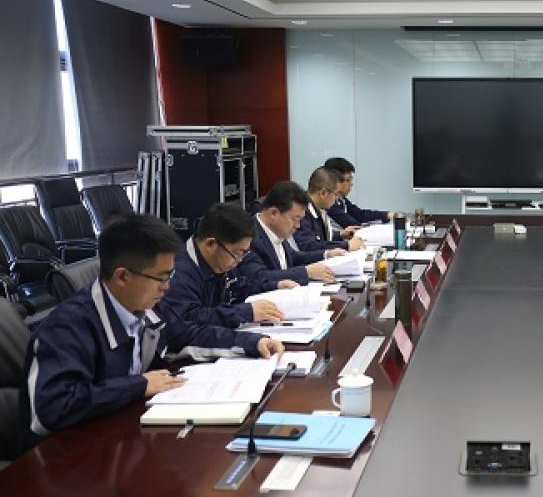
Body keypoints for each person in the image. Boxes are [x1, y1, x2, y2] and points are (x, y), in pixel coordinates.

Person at [19, 214, 283, 452]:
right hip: (66, 459)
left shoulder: (145, 307)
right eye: (161, 278)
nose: (167, 287)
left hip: (123, 436)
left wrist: (250, 342)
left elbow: (185, 334)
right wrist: (139, 385)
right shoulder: (67, 328)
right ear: (122, 277)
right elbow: (52, 408)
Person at [162, 202, 299, 328]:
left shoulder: (221, 261)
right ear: (211, 244)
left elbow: (238, 286)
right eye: (237, 254)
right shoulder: (178, 273)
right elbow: (190, 320)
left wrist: (274, 285)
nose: (239, 260)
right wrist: (245, 312)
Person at [241, 181, 343, 285]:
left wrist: (327, 254)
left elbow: (293, 257)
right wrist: (306, 272)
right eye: (295, 219)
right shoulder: (248, 236)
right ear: (273, 213)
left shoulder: (275, 231)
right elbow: (258, 276)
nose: (298, 226)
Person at [294, 167, 364, 253]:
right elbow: (309, 246)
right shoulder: (302, 212)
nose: (337, 199)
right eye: (336, 194)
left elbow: (318, 237)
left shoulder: (319, 208)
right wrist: (346, 245)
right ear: (323, 193)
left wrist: (340, 235)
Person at [324, 157, 395, 227]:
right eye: (348, 180)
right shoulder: (329, 203)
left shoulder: (340, 199)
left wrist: (387, 215)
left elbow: (359, 215)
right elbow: (352, 224)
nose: (351, 184)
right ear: (336, 181)